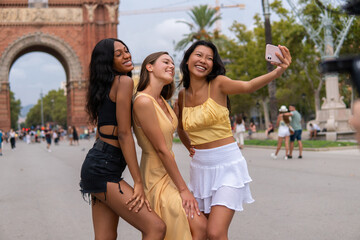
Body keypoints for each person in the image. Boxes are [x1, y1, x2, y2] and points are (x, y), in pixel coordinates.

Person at [177, 40, 291, 239]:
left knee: (215, 232)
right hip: (200, 170)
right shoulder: (182, 95)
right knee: (201, 232)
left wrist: (278, 72)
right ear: (187, 60)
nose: (204, 60)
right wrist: (190, 148)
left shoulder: (218, 84)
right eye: (199, 55)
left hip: (228, 165)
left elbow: (247, 86)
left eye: (209, 58)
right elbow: (179, 126)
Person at [79, 38, 166, 240]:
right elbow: (124, 134)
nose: (126, 55)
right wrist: (137, 182)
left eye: (126, 51)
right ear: (107, 62)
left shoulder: (104, 87)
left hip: (96, 165)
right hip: (104, 168)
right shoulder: (124, 82)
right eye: (118, 54)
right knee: (156, 228)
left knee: (105, 237)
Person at [133, 52, 207, 240]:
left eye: (173, 63)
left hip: (168, 173)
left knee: (195, 226)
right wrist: (184, 190)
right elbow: (161, 149)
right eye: (165, 62)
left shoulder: (163, 101)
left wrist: (192, 147)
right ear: (149, 67)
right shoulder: (143, 101)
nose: (171, 66)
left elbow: (177, 130)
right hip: (155, 176)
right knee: (198, 224)